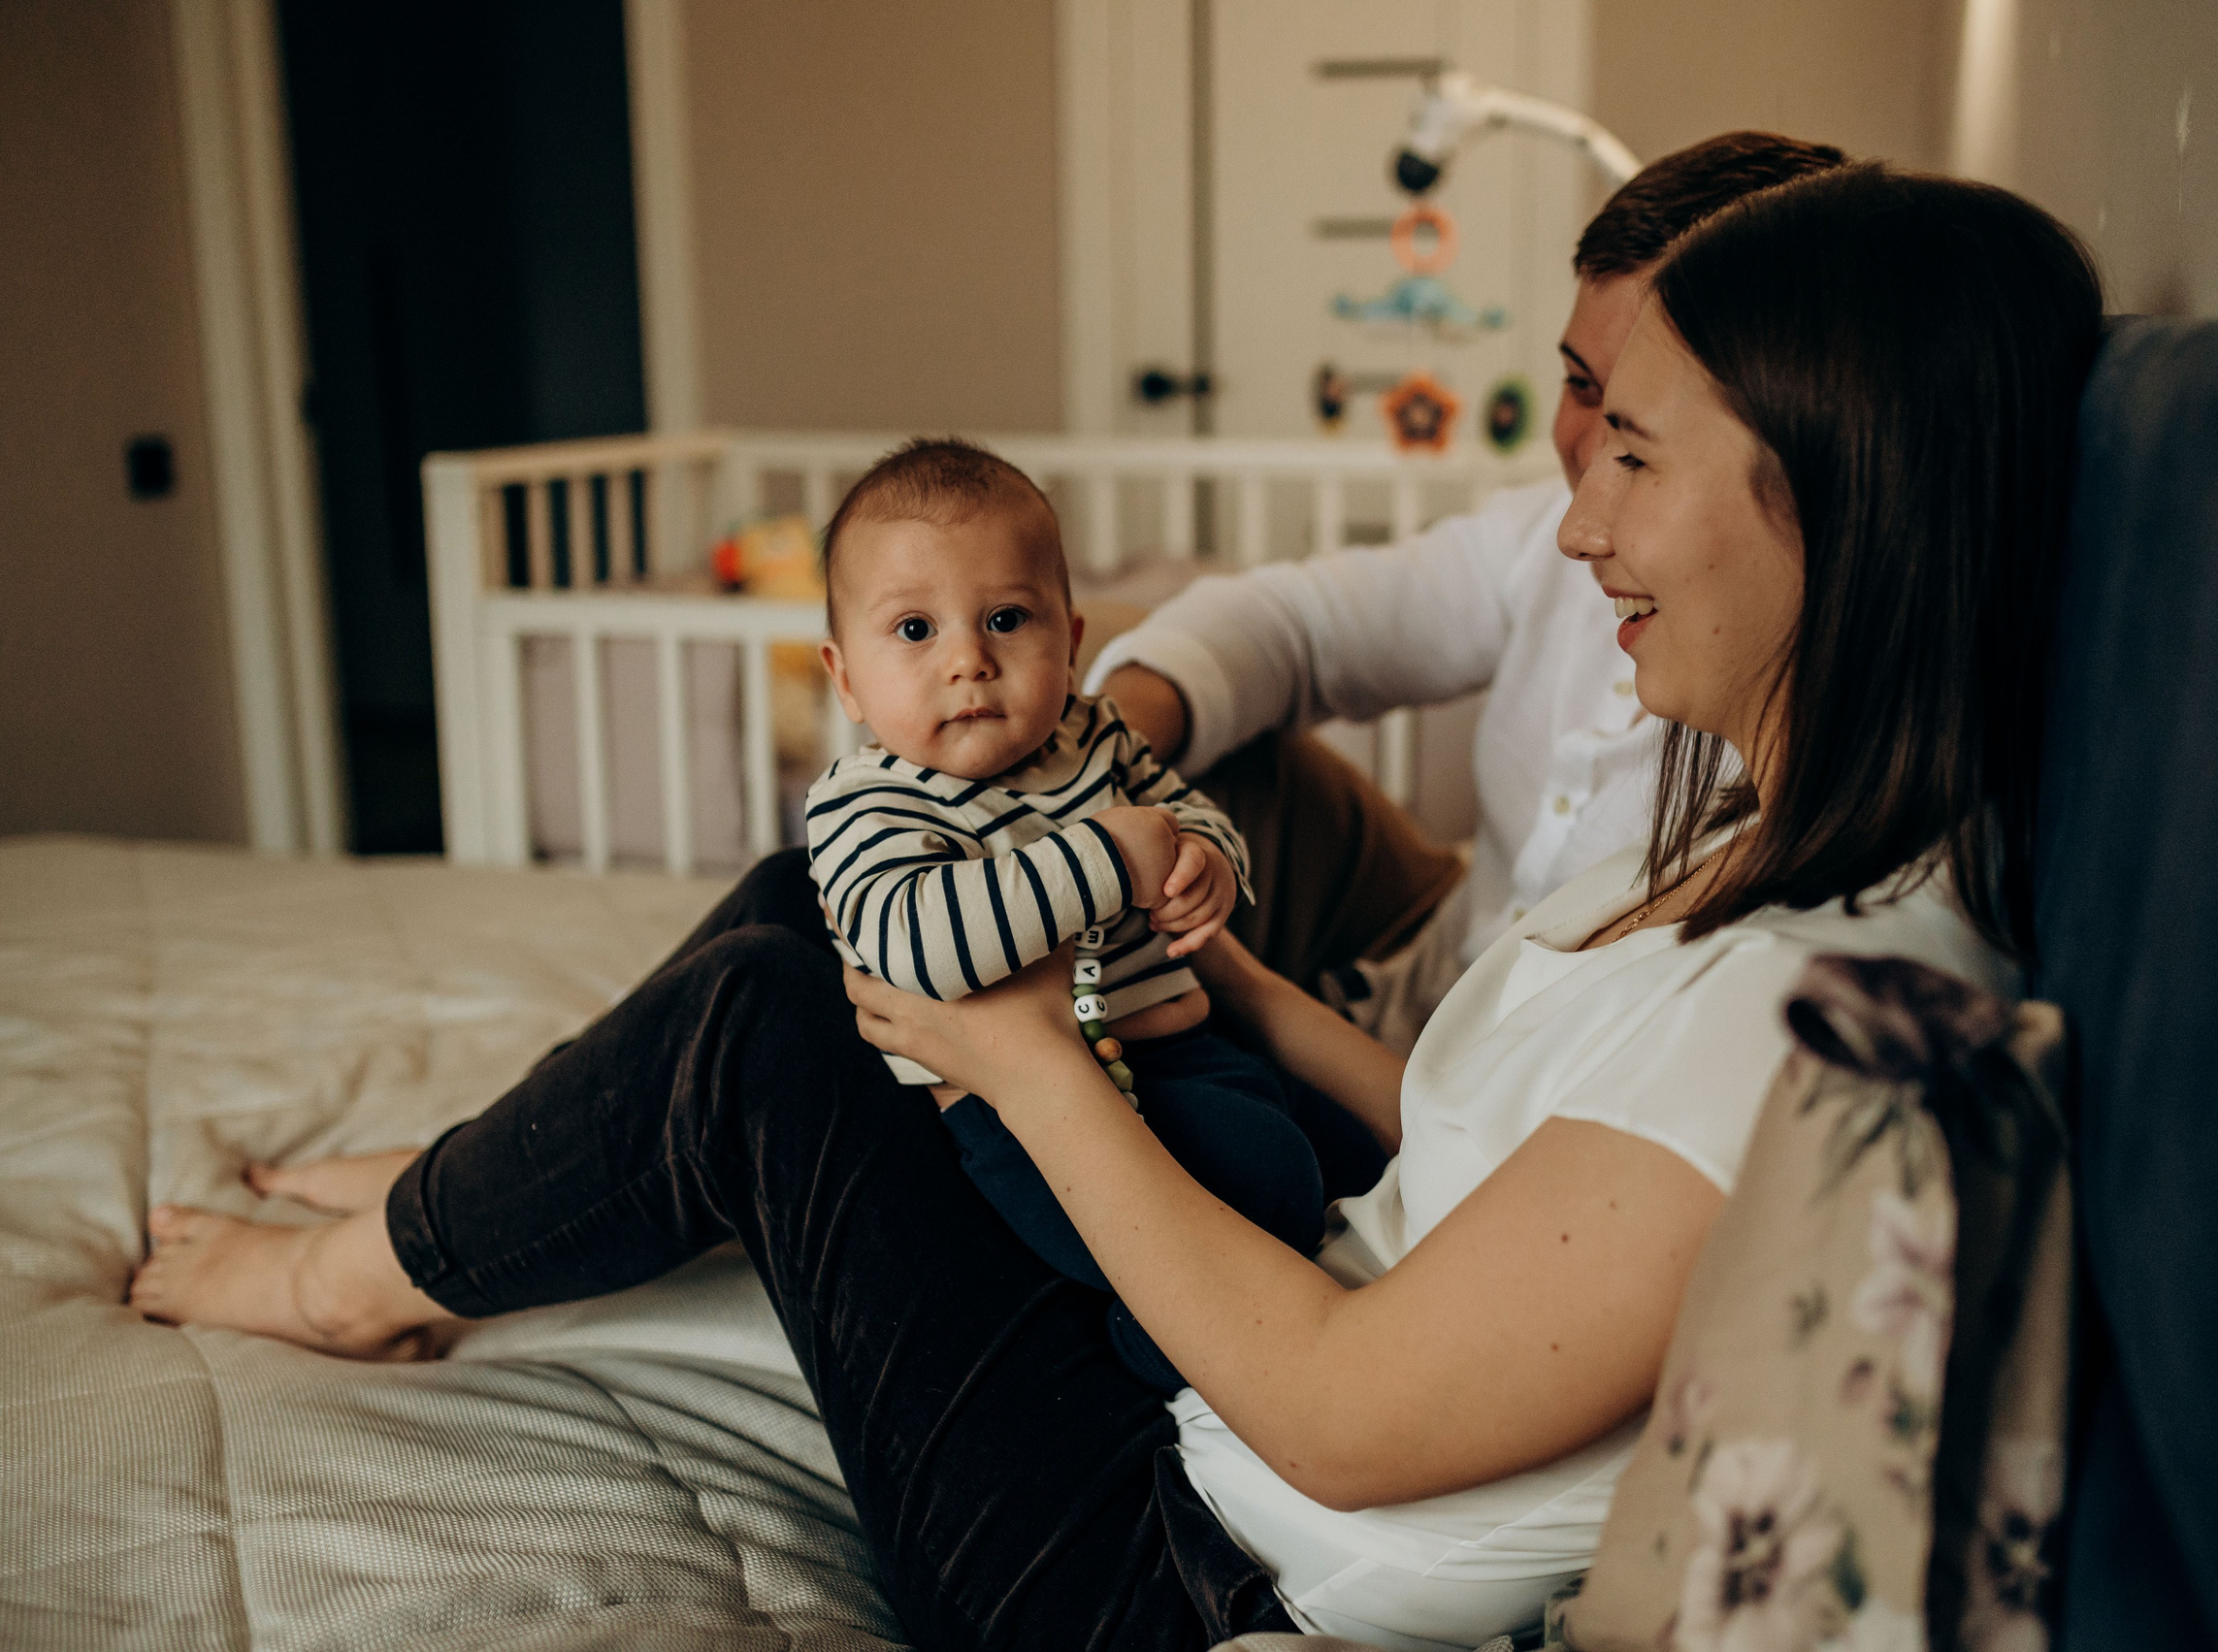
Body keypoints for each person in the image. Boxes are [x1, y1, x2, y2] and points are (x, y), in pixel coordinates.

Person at [130, 160, 2104, 1652]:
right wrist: (1220, 973)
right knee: (808, 896)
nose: (1579, 519)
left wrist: (1020, 1058)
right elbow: (1476, 1152)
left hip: (1164, 1564)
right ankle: (470, 1185)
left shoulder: (1813, 1011)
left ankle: (348, 1277)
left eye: (1638, 456)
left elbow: (1338, 1413)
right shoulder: (1747, 838)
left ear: (1839, 501)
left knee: (773, 1010)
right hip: (1223, 1380)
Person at [1097, 131, 1847, 1047]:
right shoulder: (1544, 534)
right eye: (1578, 384)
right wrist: (1093, 754)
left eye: (1635, 428)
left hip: (1434, 1065)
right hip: (1429, 950)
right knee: (1120, 652)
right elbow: (1302, 623)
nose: (1583, 471)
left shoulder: (1796, 786)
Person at [805, 436, 1373, 1392]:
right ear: (845, 675)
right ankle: (1152, 1346)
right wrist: (1109, 855)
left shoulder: (1095, 733)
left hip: (1180, 1047)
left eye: (1004, 618)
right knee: (1265, 1175)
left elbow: (1185, 813)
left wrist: (1207, 864)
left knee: (1330, 1150)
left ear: (1069, 644)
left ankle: (1252, 1267)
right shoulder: (866, 805)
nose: (968, 662)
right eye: (914, 630)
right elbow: (921, 945)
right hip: (1014, 1111)